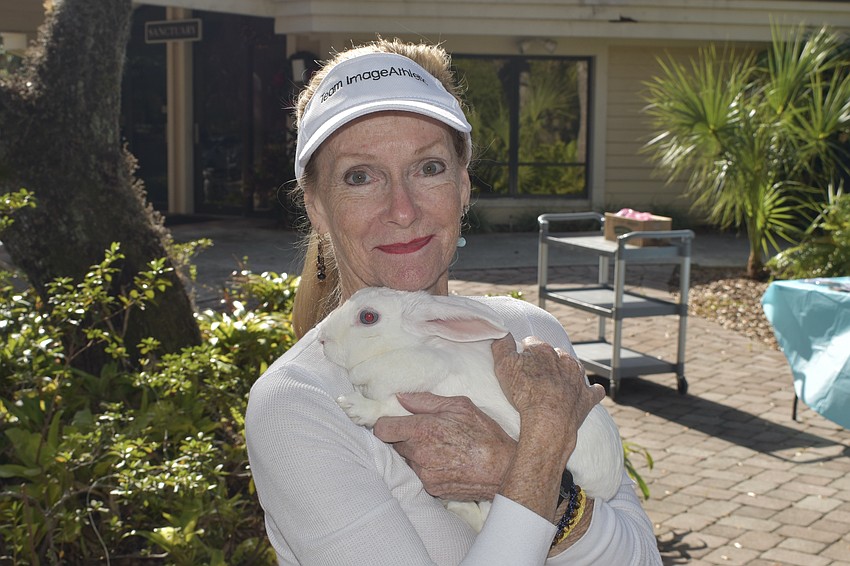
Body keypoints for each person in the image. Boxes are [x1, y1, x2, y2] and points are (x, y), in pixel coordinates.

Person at [245, 38, 661, 565]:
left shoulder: (532, 336)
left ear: (463, 186)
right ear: (318, 207)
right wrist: (535, 467)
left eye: (429, 168)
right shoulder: (300, 402)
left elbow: (643, 558)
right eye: (359, 176)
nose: (402, 209)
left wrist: (515, 473)